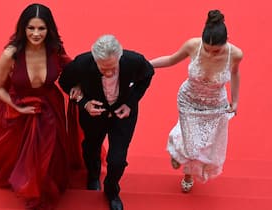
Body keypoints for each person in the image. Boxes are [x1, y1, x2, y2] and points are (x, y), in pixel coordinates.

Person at [0, 3, 76, 209]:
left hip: (49, 107)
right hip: (17, 107)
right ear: (22, 28)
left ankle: (39, 186)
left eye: (41, 28)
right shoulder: (11, 54)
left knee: (47, 149)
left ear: (49, 29)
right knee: (16, 154)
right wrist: (17, 107)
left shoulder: (54, 49)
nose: (36, 33)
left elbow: (71, 68)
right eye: (31, 28)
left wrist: (78, 85)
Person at [149, 9, 243, 192]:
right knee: (193, 147)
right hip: (189, 101)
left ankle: (180, 150)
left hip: (215, 105)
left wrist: (236, 100)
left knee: (205, 145)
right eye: (207, 49)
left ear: (227, 40)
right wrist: (145, 64)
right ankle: (187, 172)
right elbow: (170, 60)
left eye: (216, 50)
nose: (211, 54)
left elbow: (235, 73)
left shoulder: (236, 54)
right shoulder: (193, 46)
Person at [58, 34, 154, 210]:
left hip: (122, 115)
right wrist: (84, 102)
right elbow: (64, 82)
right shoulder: (82, 63)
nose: (109, 72)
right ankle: (93, 176)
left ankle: (111, 190)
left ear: (120, 57)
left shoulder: (134, 61)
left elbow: (148, 74)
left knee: (117, 160)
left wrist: (130, 103)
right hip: (93, 115)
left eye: (112, 67)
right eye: (103, 69)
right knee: (90, 148)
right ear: (95, 60)